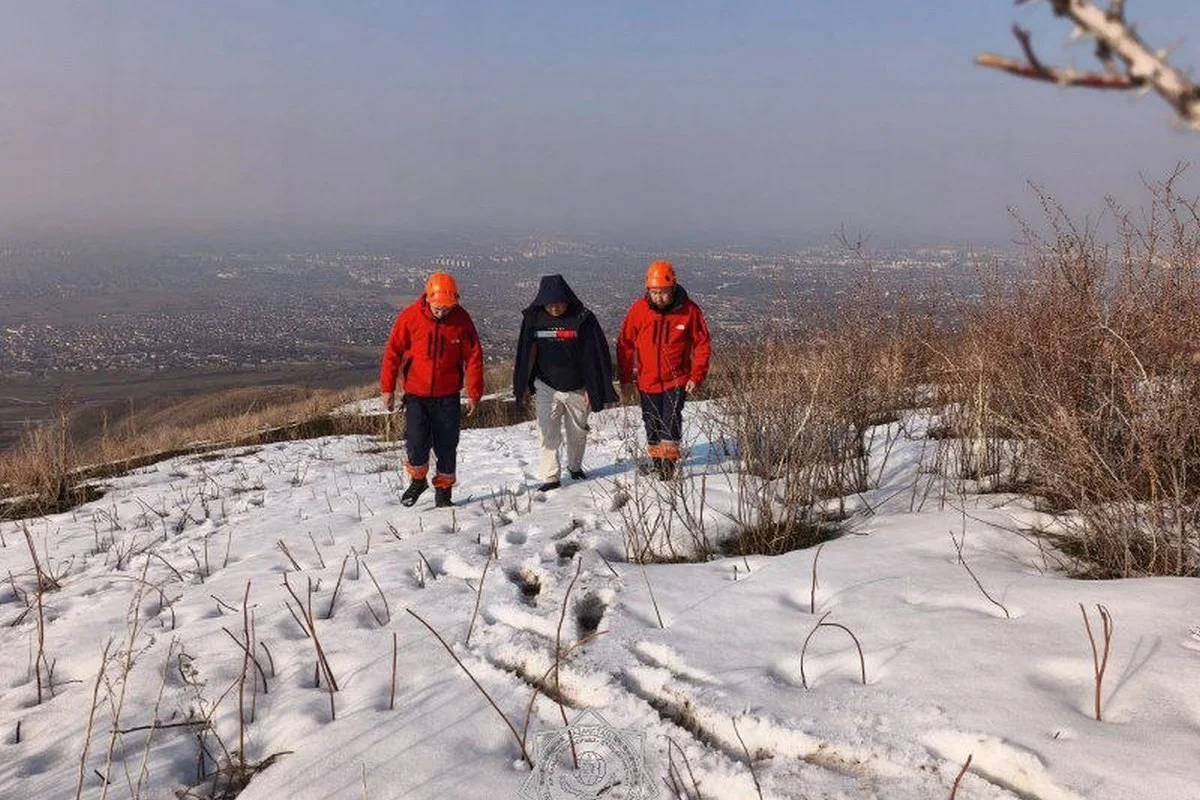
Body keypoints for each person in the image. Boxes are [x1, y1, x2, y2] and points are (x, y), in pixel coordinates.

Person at [380, 272, 483, 508]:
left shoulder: (462, 320)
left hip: (448, 396)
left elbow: (474, 356)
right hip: (416, 396)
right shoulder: (410, 317)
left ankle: (444, 494)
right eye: (437, 307)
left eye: (447, 308)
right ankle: (418, 481)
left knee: (447, 445)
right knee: (416, 443)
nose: (442, 312)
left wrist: (474, 392)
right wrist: (387, 389)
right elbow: (392, 353)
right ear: (428, 298)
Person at [513, 274, 618, 492]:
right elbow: (526, 353)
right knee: (547, 432)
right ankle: (550, 477)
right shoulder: (534, 319)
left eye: (559, 303)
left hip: (578, 387)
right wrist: (523, 384)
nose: (554, 308)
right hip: (546, 386)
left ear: (567, 300)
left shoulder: (583, 319)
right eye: (550, 304)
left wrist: (593, 386)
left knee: (577, 432)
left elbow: (596, 355)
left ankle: (575, 467)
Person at [616, 260, 712, 480]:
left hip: (676, 380)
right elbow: (625, 345)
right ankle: (656, 461)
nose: (658, 297)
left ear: (674, 287)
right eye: (654, 292)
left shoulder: (689, 311)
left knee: (670, 421)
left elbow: (702, 344)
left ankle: (667, 469)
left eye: (663, 292)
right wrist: (626, 379)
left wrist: (697, 375)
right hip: (647, 381)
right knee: (651, 421)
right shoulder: (639, 311)